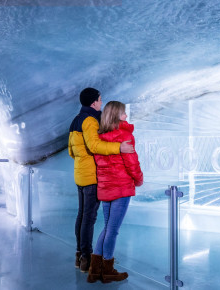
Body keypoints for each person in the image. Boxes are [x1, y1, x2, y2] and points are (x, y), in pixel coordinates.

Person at [68, 88, 134, 273]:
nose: (101, 103)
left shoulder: (76, 120)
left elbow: (71, 151)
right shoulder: (90, 121)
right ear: (94, 102)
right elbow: (94, 145)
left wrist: (82, 162)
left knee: (82, 215)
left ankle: (79, 254)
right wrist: (119, 147)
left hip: (80, 174)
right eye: (100, 100)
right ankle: (86, 259)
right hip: (91, 176)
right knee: (89, 218)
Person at [86, 101, 143, 283]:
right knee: (113, 230)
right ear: (117, 115)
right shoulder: (125, 135)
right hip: (121, 188)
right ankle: (107, 271)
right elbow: (132, 163)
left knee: (107, 228)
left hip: (105, 189)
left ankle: (95, 270)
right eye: (124, 113)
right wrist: (139, 180)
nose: (126, 116)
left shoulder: (99, 138)